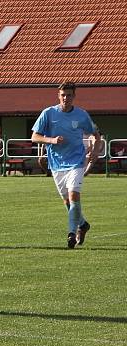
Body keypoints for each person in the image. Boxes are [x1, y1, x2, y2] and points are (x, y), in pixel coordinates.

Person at [31, 81, 100, 248]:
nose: (66, 98)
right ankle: (83, 225)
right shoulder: (48, 113)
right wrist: (51, 140)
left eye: (69, 95)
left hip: (77, 161)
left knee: (73, 195)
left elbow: (95, 135)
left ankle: (71, 233)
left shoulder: (81, 115)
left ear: (74, 96)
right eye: (63, 95)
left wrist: (94, 152)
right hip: (56, 164)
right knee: (68, 203)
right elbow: (35, 136)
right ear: (58, 96)